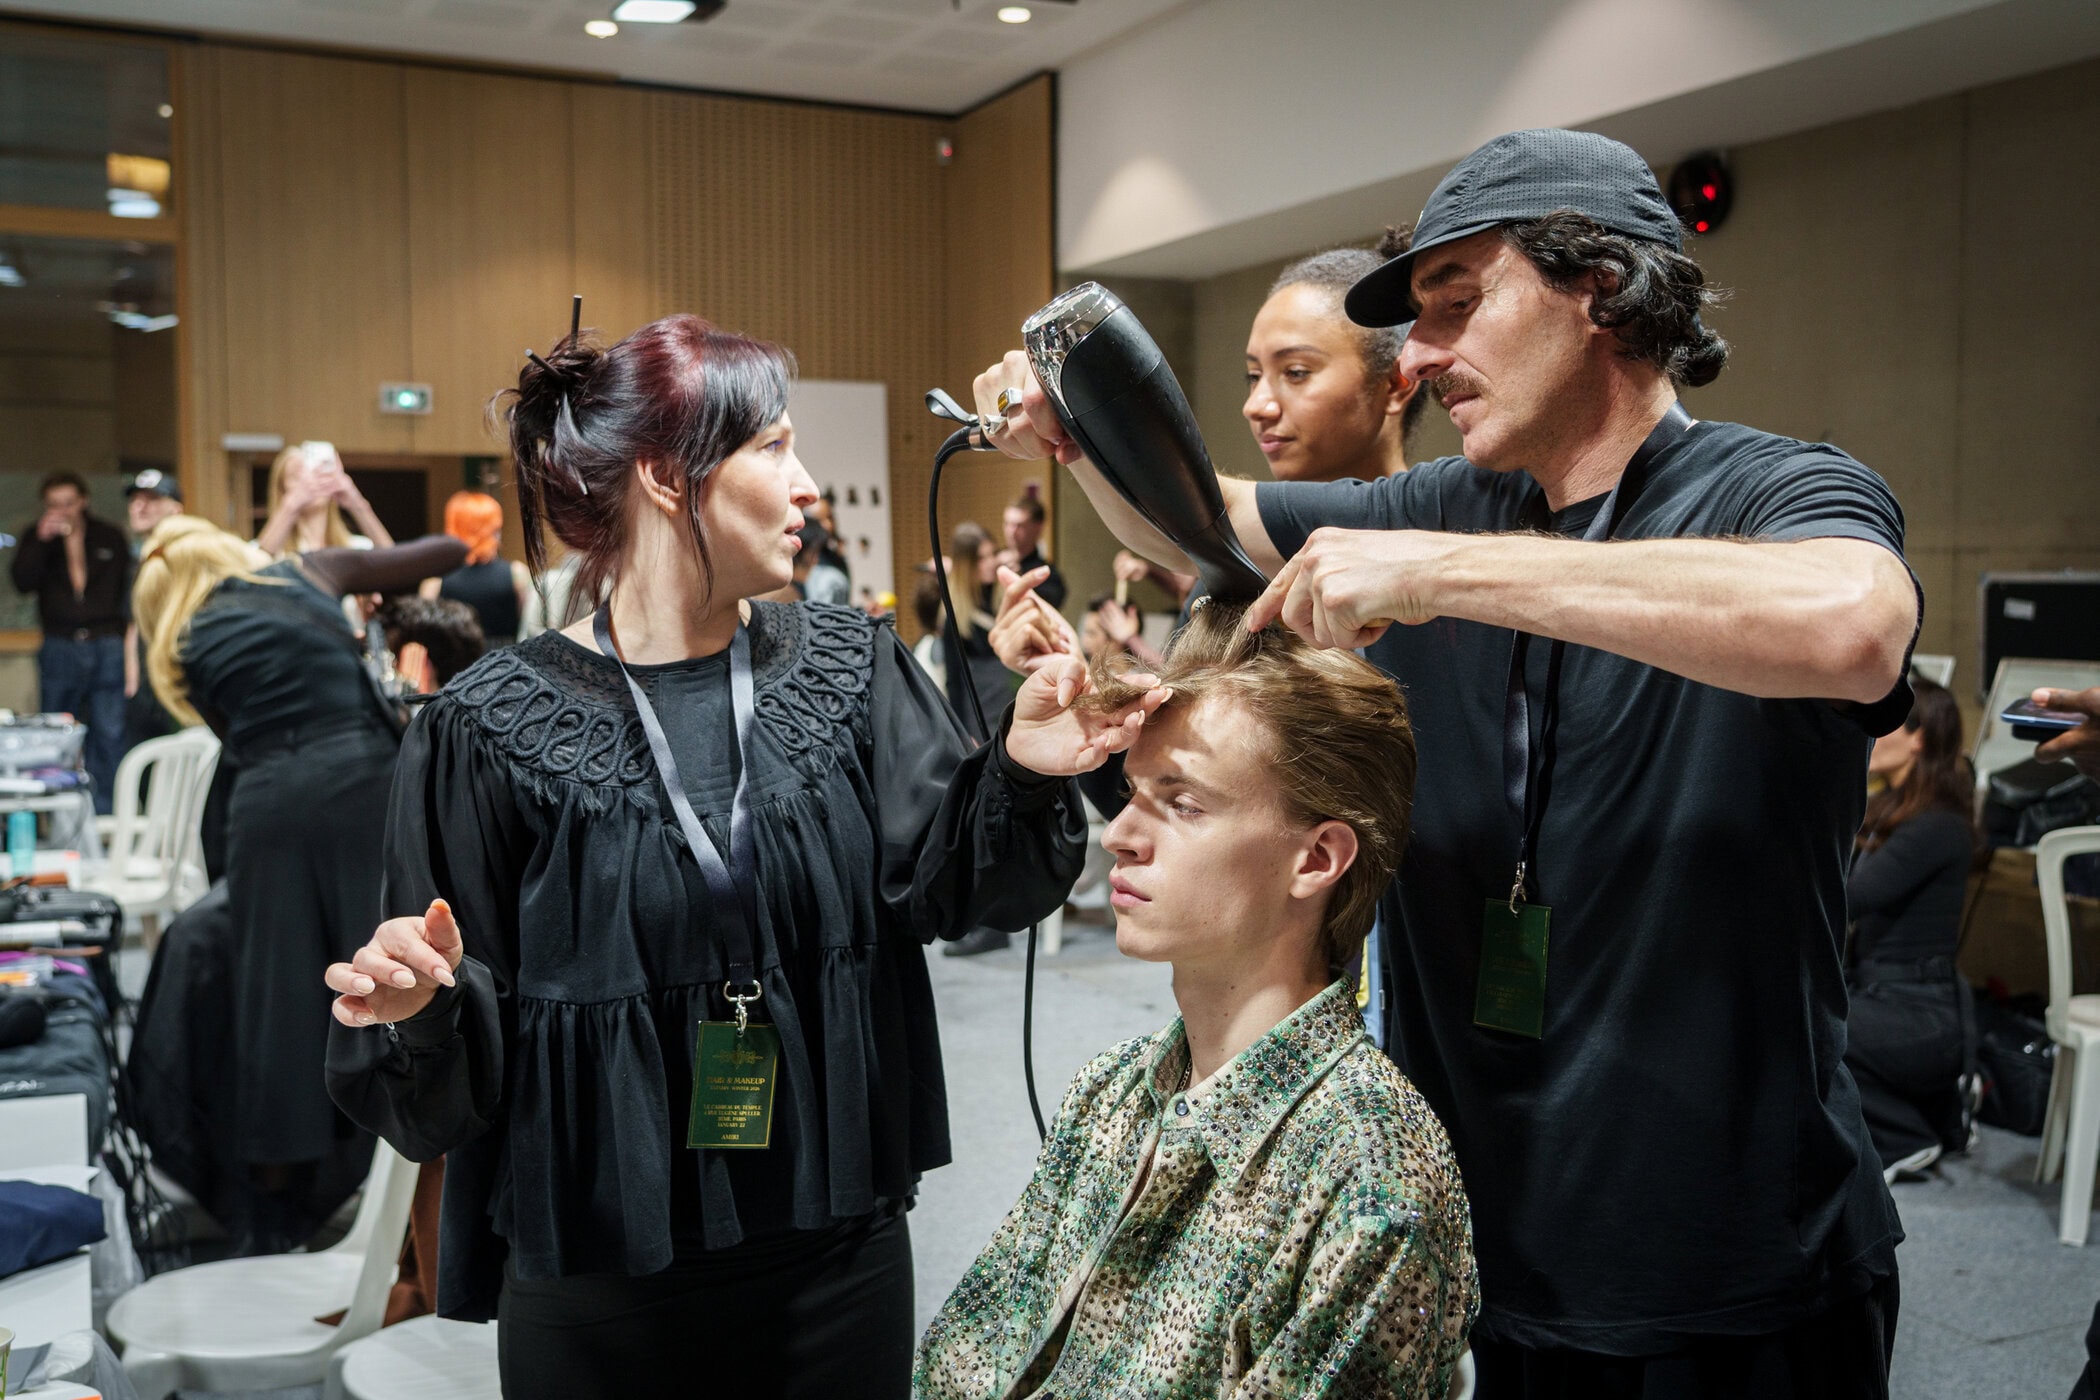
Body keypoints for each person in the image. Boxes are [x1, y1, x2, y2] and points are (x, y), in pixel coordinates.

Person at [977, 128, 1922, 1398]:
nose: (1417, 357)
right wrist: (1076, 430)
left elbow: (1854, 624)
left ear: (1601, 291)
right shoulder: (1451, 499)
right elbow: (1204, 522)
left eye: (1457, 306)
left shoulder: (1775, 488)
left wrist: (1442, 571)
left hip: (1732, 1262)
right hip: (1488, 1249)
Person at [321, 312, 1164, 1398]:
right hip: (604, 1276)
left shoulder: (849, 666)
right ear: (667, 475)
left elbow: (951, 886)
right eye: (774, 447)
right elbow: (454, 1045)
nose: (807, 485)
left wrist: (1021, 769)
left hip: (835, 1251)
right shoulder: (485, 730)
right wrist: (420, 1006)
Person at [916, 605, 1476, 1398]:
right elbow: (962, 1358)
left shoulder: (1369, 1185)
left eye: (1183, 804)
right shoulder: (1108, 1093)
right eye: (1133, 792)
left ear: (1316, 858)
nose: (1120, 835)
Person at [134, 515, 466, 1253]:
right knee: (383, 976)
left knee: (276, 998)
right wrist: (362, 582)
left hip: (270, 807)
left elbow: (239, 742)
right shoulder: (305, 573)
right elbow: (446, 550)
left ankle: (277, 1200)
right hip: (364, 791)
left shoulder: (184, 643)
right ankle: (394, 1180)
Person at [1844, 677, 1978, 1180]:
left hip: (1921, 1015)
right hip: (1884, 998)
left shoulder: (1938, 824)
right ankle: (1930, 1117)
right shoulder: (1889, 812)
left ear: (1919, 737)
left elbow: (1851, 896)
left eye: (1884, 723)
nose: (1870, 734)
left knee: (1806, 1024)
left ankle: (1905, 1137)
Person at [11, 471, 131, 813]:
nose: (62, 510)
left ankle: (108, 815)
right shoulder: (37, 538)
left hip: (105, 642)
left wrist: (126, 644)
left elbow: (125, 593)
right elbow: (22, 583)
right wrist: (40, 540)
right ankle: (61, 815)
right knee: (57, 732)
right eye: (55, 504)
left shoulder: (108, 535)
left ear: (83, 501)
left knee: (109, 732)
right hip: (60, 644)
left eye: (68, 503)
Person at [123, 469, 186, 750]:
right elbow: (133, 623)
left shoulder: (185, 556)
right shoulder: (138, 561)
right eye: (135, 499)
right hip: (146, 683)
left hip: (178, 679)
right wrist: (132, 679)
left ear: (176, 509)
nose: (140, 506)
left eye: (152, 499)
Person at [255, 441, 396, 557]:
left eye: (316, 472)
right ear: (282, 490)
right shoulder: (270, 550)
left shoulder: (355, 548)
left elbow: (392, 562)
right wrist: (290, 507)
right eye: (298, 476)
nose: (310, 481)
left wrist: (357, 504)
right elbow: (257, 567)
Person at [424, 490, 529, 645]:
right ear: (492, 530)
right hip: (506, 657)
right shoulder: (517, 573)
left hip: (456, 659)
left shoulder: (435, 581)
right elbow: (528, 628)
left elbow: (425, 634)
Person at [1000, 485, 1065, 610]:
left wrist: (1019, 576)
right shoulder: (993, 561)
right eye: (1007, 524)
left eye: (1019, 525)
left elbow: (1048, 604)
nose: (1011, 532)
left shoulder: (1048, 575)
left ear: (1038, 528)